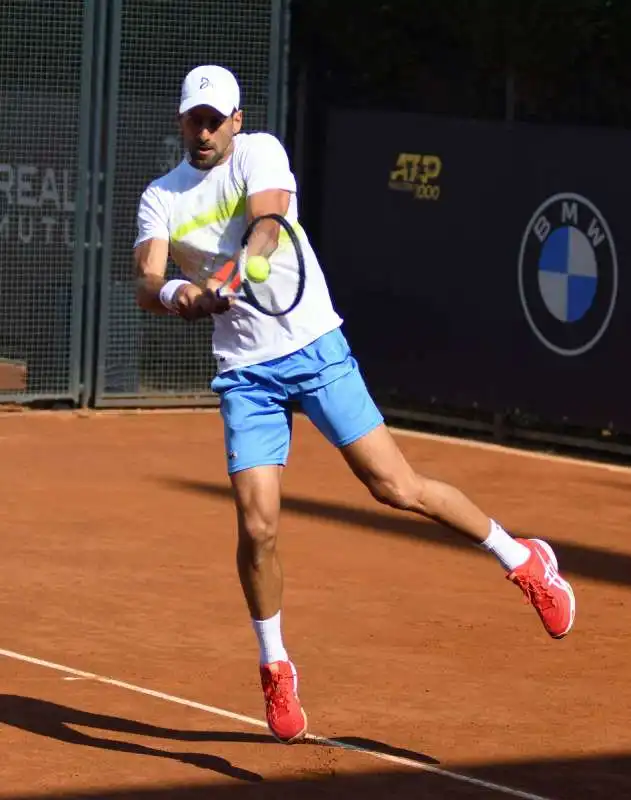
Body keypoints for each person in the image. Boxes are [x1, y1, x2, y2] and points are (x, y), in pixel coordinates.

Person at [133, 64, 576, 745]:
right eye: (193, 118)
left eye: (214, 119)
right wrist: (181, 297)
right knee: (257, 527)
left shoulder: (261, 152)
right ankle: (275, 663)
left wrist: (234, 270)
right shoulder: (160, 197)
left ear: (235, 121)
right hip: (245, 372)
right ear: (180, 121)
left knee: (394, 486)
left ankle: (520, 559)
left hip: (312, 345)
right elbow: (147, 280)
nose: (203, 130)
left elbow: (268, 225)